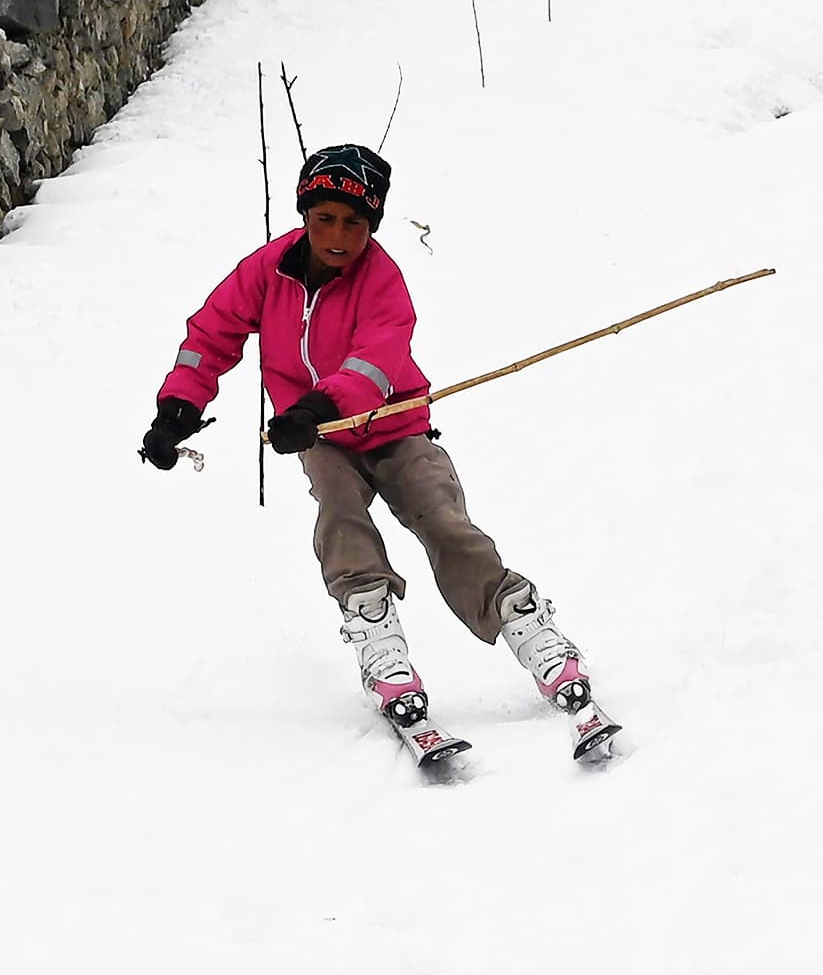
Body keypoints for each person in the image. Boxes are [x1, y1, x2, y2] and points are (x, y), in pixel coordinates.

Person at [139, 143, 603, 750]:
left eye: (354, 223)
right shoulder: (267, 269)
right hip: (323, 441)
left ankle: (529, 628)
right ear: (305, 214)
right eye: (325, 218)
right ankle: (378, 640)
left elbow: (376, 362)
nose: (338, 235)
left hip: (394, 425)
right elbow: (212, 332)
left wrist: (316, 406)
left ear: (373, 224)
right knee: (341, 517)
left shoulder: (382, 280)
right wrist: (179, 408)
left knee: (442, 520)